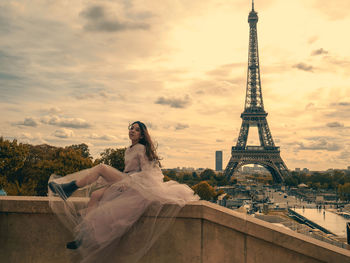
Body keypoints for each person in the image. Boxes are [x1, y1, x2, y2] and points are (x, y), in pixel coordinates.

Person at [48, 121, 199, 263]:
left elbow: (148, 172)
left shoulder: (141, 148)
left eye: (137, 129)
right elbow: (127, 171)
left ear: (142, 135)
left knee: (101, 168)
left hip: (136, 184)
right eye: (131, 128)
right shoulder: (129, 150)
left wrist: (129, 181)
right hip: (127, 180)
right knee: (95, 195)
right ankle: (84, 236)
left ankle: (69, 188)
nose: (132, 131)